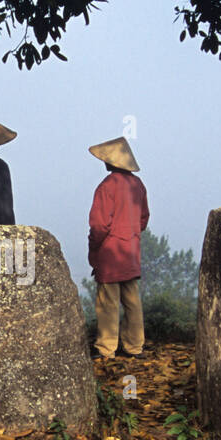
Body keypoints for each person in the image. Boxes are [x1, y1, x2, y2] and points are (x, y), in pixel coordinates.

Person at [87, 137, 149, 360]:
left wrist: (94, 249)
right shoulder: (138, 185)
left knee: (108, 303)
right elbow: (143, 218)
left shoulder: (107, 187)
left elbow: (99, 225)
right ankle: (134, 346)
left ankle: (106, 348)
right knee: (132, 301)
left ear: (110, 162)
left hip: (110, 253)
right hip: (130, 251)